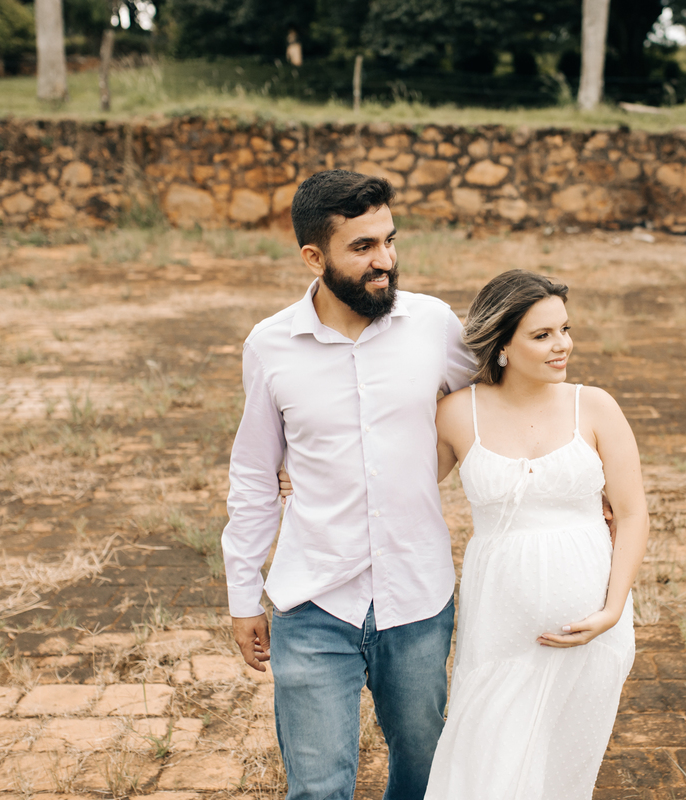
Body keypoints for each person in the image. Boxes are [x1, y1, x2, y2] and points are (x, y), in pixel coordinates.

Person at [222, 169, 475, 800]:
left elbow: (501, 402)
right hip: (313, 600)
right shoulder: (270, 345)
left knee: (424, 775)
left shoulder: (434, 324)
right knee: (317, 790)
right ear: (314, 257)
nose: (384, 260)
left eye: (389, 240)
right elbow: (254, 473)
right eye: (362, 247)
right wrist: (243, 594)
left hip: (418, 598)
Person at [425, 270, 649, 799]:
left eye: (565, 329)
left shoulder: (594, 407)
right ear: (502, 345)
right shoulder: (456, 413)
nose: (562, 345)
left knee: (561, 778)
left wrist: (612, 611)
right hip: (498, 630)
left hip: (591, 631)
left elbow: (632, 513)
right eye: (543, 335)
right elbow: (398, 487)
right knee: (482, 766)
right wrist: (303, 474)